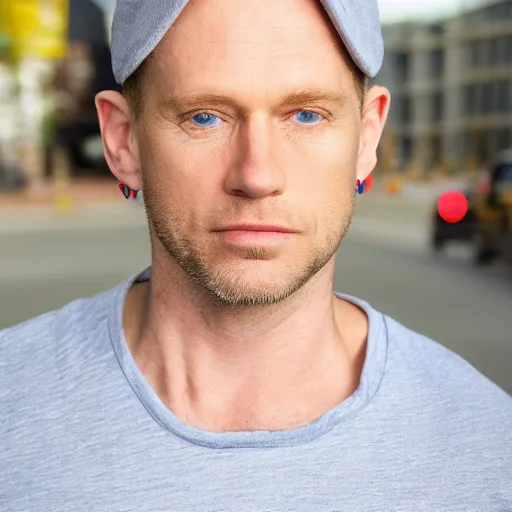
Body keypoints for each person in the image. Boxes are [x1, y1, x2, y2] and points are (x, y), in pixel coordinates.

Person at [1, 0, 511, 509]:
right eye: (205, 117)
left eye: (307, 115)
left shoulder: (490, 452)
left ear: (367, 136)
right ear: (122, 140)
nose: (258, 175)